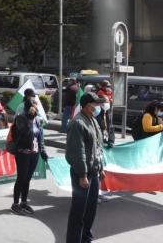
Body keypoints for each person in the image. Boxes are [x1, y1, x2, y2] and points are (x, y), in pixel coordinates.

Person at [65, 92, 106, 243]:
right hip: (82, 174)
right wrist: (82, 175)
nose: (97, 107)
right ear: (86, 105)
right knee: (79, 211)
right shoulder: (78, 123)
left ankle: (86, 238)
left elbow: (97, 147)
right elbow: (78, 151)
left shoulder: (93, 121)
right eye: (94, 104)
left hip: (93, 172)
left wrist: (101, 168)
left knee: (90, 210)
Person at [10, 99, 48, 215]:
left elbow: (39, 135)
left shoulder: (37, 119)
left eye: (37, 108)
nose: (36, 110)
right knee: (21, 178)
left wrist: (42, 151)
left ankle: (24, 202)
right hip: (22, 153)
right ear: (28, 108)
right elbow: (23, 133)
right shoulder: (21, 118)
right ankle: (15, 204)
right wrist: (29, 118)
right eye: (34, 107)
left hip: (34, 153)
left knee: (27, 179)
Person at [96, 80, 115, 146]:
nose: (108, 88)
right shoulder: (100, 92)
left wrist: (110, 100)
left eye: (109, 86)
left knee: (110, 126)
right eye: (107, 86)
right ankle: (101, 140)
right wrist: (105, 99)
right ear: (103, 86)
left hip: (107, 111)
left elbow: (110, 99)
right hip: (100, 111)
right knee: (101, 125)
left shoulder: (110, 92)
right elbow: (98, 100)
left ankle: (111, 141)